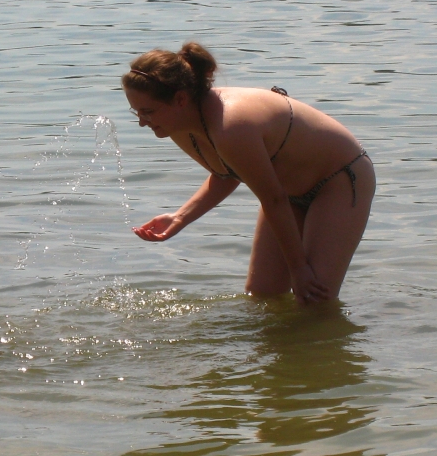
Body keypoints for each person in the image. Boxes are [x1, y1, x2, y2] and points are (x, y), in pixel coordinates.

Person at [122, 42, 375, 304]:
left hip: (337, 180)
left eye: (148, 111)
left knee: (313, 298)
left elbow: (273, 199)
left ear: (180, 99)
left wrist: (299, 269)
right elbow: (228, 173)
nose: (141, 121)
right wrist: (180, 217)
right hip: (286, 194)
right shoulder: (177, 124)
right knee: (262, 296)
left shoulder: (231, 126)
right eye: (136, 111)